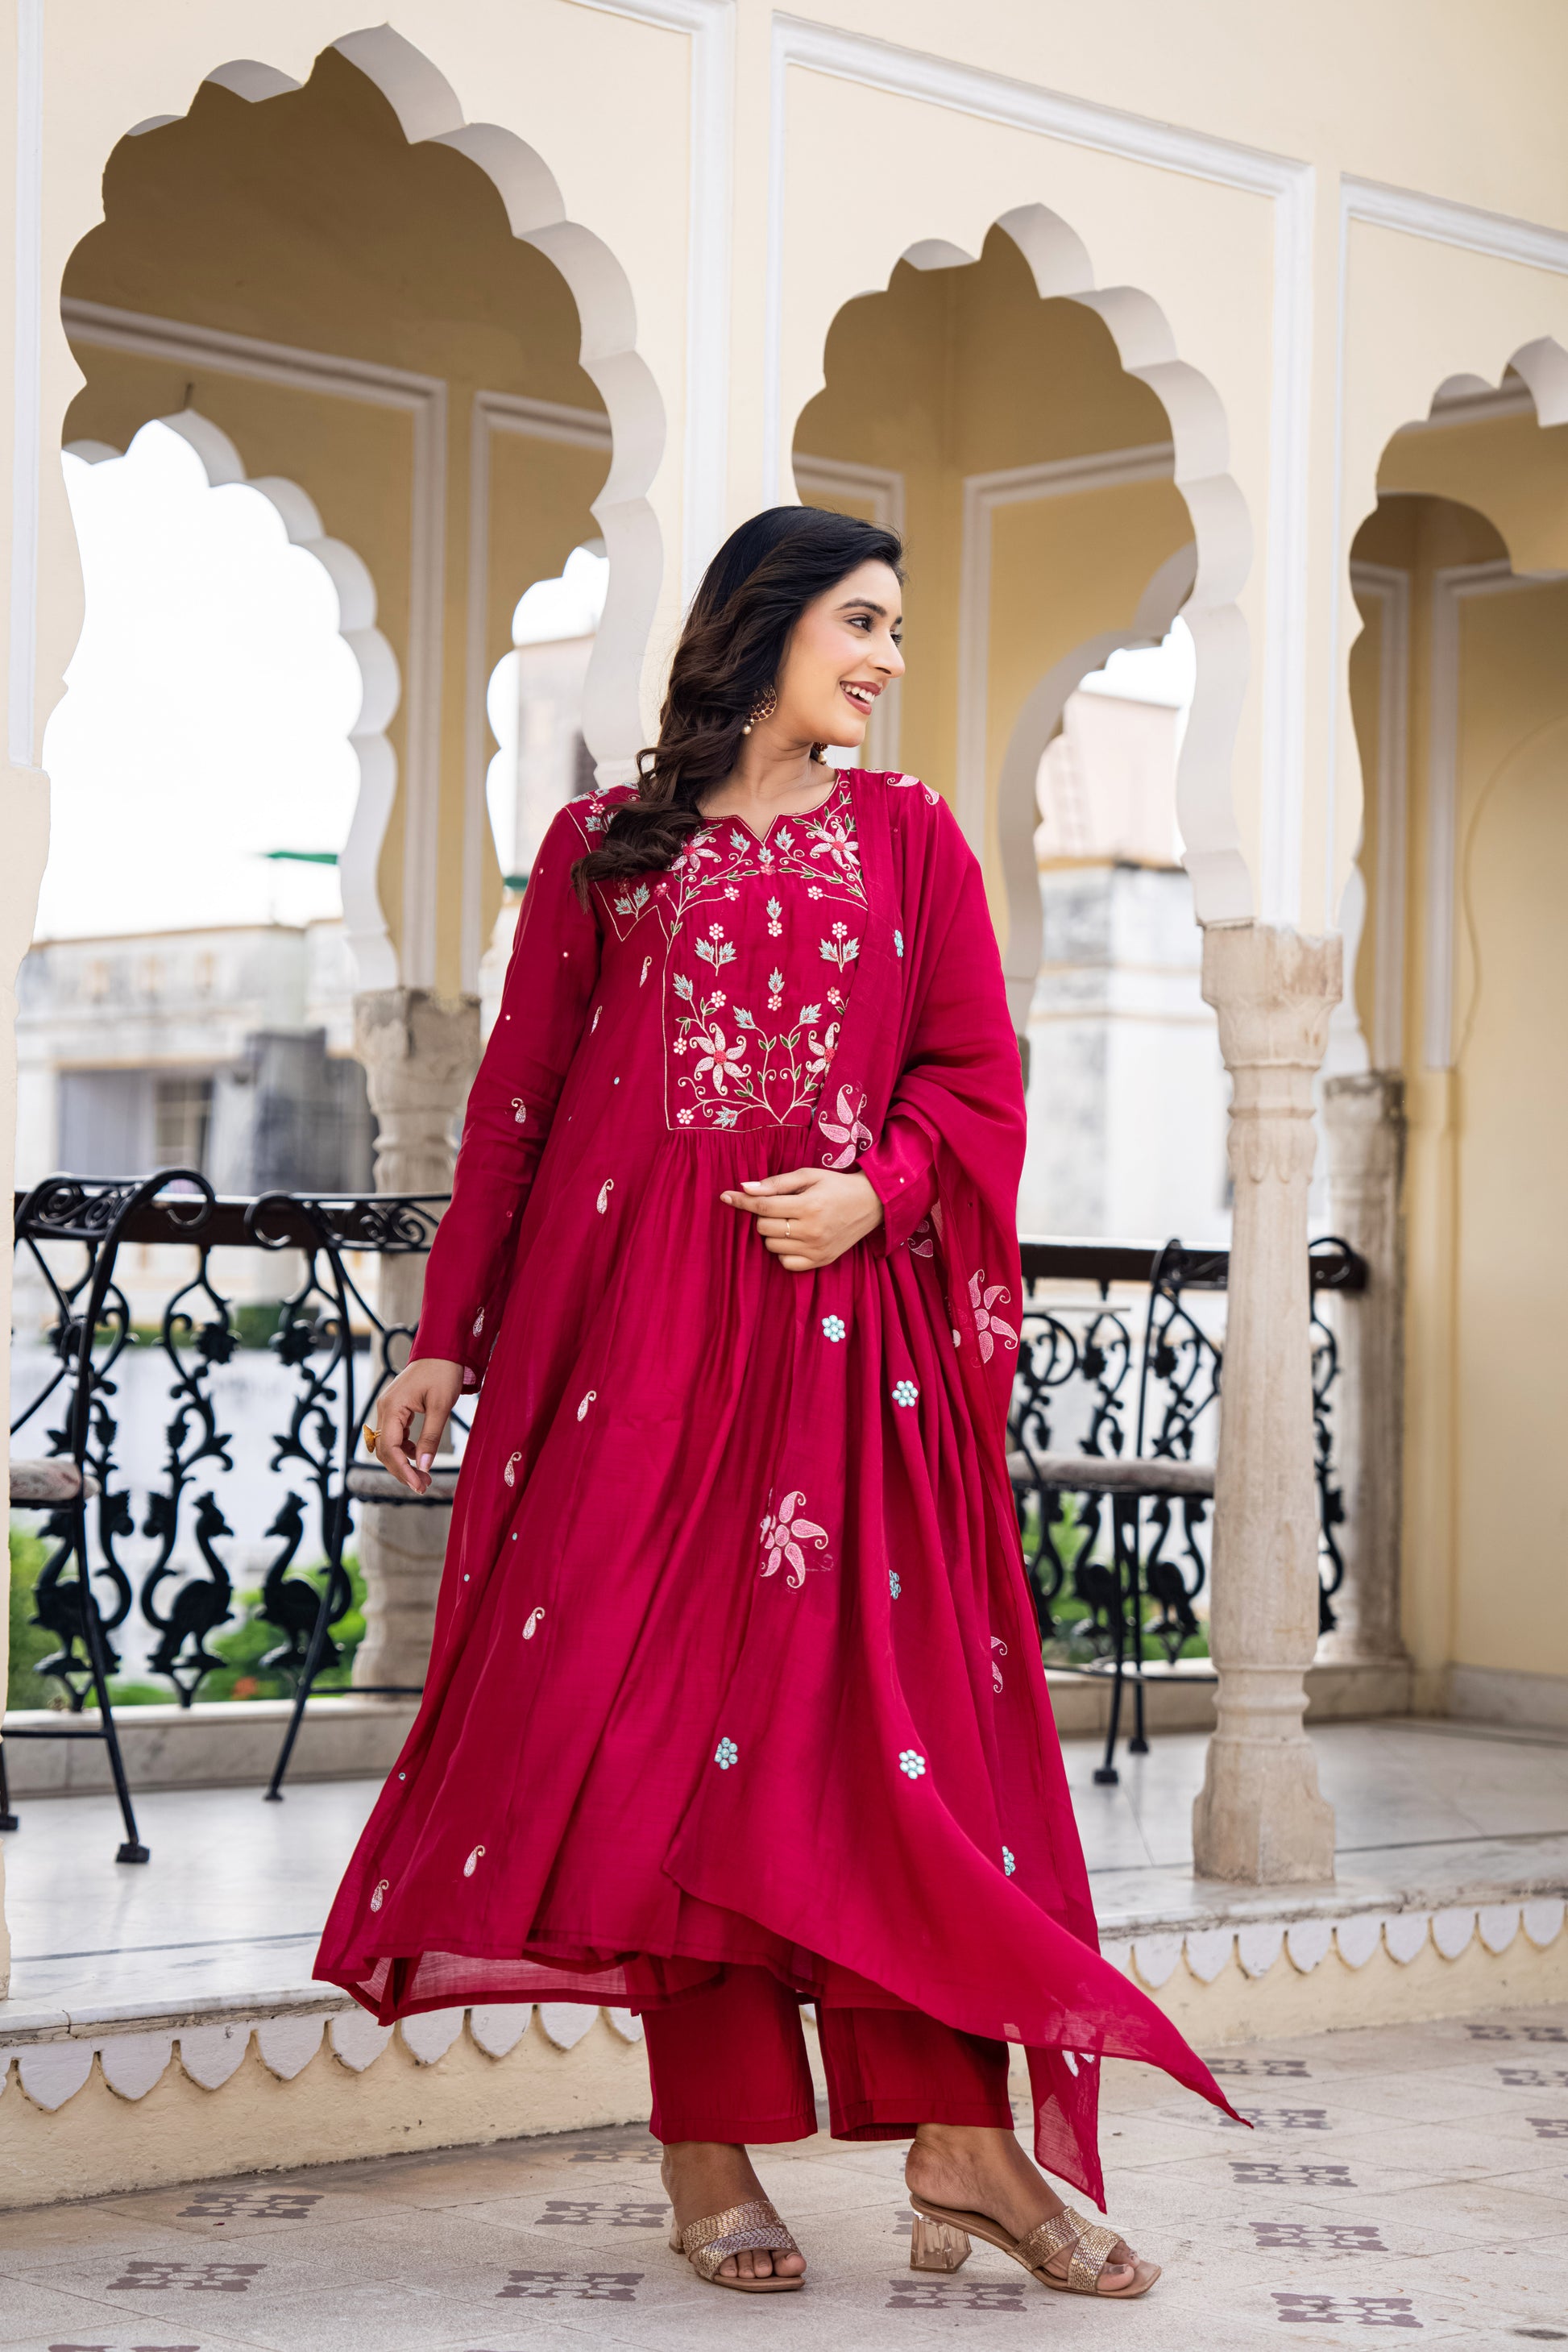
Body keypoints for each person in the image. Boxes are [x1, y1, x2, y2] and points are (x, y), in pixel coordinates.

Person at [316, 506, 1232, 2300]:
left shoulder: (911, 844)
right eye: (862, 621)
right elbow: (514, 1106)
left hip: (840, 1367)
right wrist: (445, 1335)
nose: (887, 658)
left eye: (895, 627)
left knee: (871, 1747)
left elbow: (973, 1071)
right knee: (661, 1737)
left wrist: (878, 1191)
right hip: (636, 1363)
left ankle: (964, 2143)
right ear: (767, 627)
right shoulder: (604, 847)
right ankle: (705, 2140)